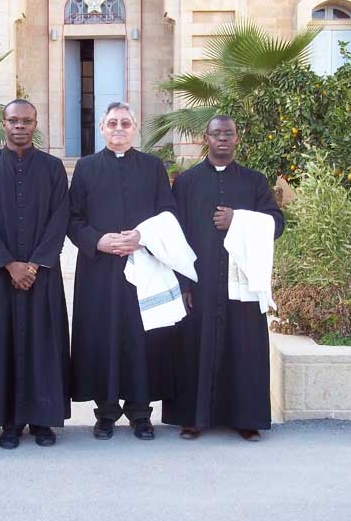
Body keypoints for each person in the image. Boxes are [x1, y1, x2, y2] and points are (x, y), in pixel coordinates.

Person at [163, 115, 284, 442]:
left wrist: (238, 220)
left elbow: (276, 223)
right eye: (216, 133)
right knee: (193, 347)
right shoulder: (186, 183)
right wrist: (183, 285)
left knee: (243, 347)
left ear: (237, 138)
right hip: (199, 281)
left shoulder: (254, 181)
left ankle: (246, 419)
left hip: (242, 282)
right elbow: (175, 235)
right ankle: (191, 418)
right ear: (207, 138)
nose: (223, 139)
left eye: (228, 133)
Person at [68, 101, 177, 441]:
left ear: (135, 128)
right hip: (99, 271)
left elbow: (168, 214)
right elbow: (72, 218)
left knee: (142, 338)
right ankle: (106, 413)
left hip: (144, 267)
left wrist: (143, 238)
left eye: (125, 123)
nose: (119, 128)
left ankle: (141, 413)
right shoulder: (86, 168)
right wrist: (98, 241)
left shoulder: (153, 167)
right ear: (102, 128)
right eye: (112, 123)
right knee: (103, 337)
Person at [0, 99, 71, 449]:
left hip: (42, 275)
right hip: (1, 275)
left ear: (35, 124)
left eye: (26, 121)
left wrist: (35, 263)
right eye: (13, 120)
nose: (20, 126)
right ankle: (10, 422)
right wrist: (9, 264)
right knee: (3, 344)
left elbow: (61, 217)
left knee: (44, 345)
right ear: (3, 123)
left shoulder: (53, 168)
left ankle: (43, 420)